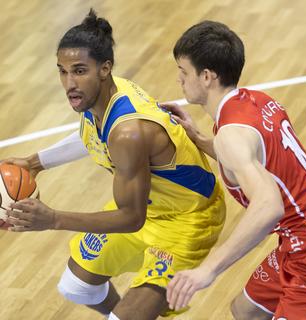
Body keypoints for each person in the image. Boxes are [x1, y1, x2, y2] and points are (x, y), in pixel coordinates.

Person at [4, 10, 226, 320]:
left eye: (79, 71)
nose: (69, 83)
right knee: (75, 287)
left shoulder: (129, 132)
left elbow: (130, 218)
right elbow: (93, 134)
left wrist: (53, 219)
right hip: (149, 206)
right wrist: (34, 162)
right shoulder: (103, 95)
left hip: (187, 220)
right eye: (63, 71)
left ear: (105, 68)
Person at [163, 21, 306, 320]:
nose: (179, 80)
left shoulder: (231, 138)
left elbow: (269, 205)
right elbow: (261, 161)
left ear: (207, 76)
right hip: (300, 238)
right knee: (245, 311)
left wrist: (207, 270)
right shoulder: (257, 101)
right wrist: (198, 140)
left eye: (183, 71)